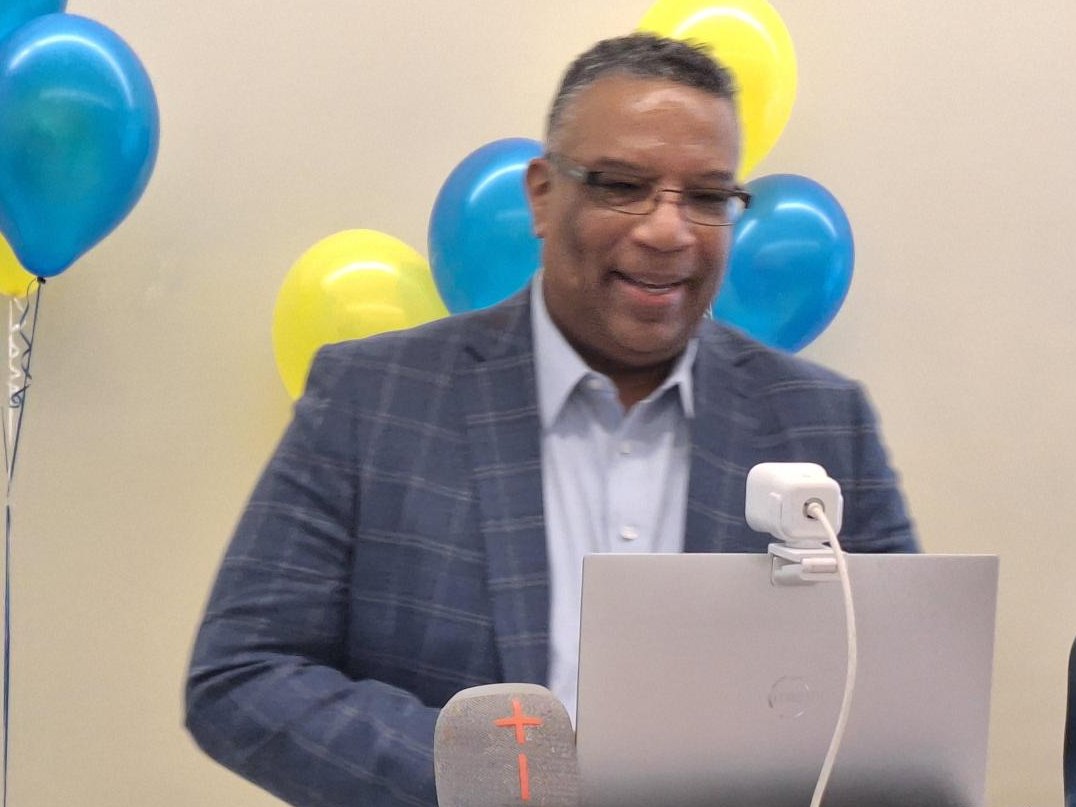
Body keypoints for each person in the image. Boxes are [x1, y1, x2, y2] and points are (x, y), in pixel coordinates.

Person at [186, 33, 918, 807]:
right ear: (541, 194)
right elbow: (242, 673)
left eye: (707, 197)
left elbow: (905, 704)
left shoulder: (823, 423)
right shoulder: (372, 398)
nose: (668, 230)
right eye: (623, 185)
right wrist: (497, 781)